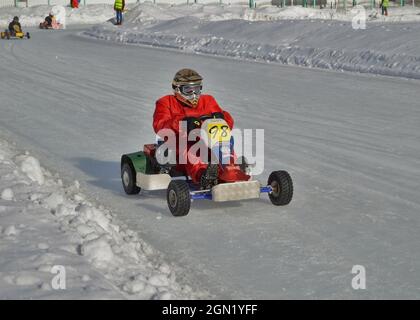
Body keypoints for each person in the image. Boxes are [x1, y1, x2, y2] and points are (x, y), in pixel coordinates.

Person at [153, 69, 247, 189]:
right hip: (177, 143)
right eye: (188, 90)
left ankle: (231, 169)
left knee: (225, 140)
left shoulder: (208, 100)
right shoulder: (166, 102)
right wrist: (181, 123)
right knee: (189, 146)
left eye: (196, 89)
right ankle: (203, 176)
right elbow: (159, 125)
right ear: (176, 89)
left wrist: (223, 117)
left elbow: (225, 122)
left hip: (207, 140)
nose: (193, 94)